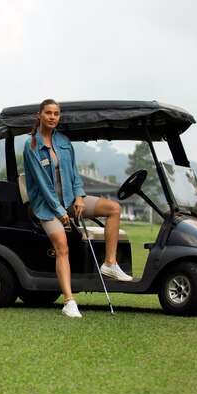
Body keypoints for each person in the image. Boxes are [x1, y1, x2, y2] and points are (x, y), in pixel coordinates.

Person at [22, 99, 132, 318]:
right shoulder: (31, 145)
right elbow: (43, 185)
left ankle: (109, 263)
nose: (53, 117)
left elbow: (73, 173)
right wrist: (60, 212)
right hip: (47, 207)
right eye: (48, 113)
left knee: (113, 209)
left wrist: (80, 197)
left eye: (56, 114)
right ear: (39, 115)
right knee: (62, 247)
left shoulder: (63, 141)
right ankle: (69, 302)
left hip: (71, 200)